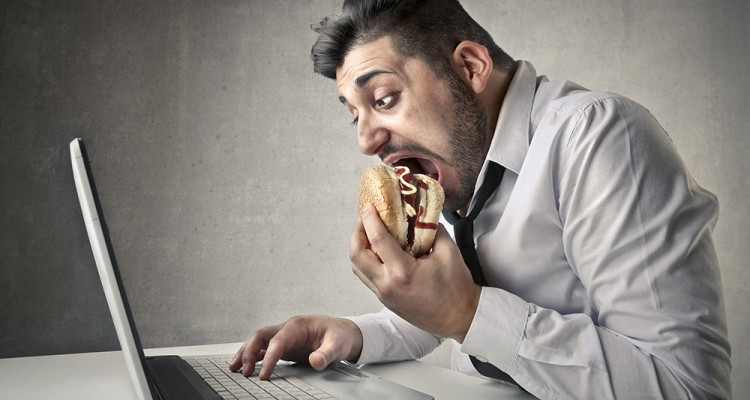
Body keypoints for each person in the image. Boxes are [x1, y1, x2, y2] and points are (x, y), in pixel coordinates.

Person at [229, 0, 732, 398]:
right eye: (354, 114)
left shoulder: (597, 135)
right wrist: (350, 336)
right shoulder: (457, 160)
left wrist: (466, 315)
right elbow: (447, 306)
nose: (366, 141)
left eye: (383, 99)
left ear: (470, 66)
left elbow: (685, 387)